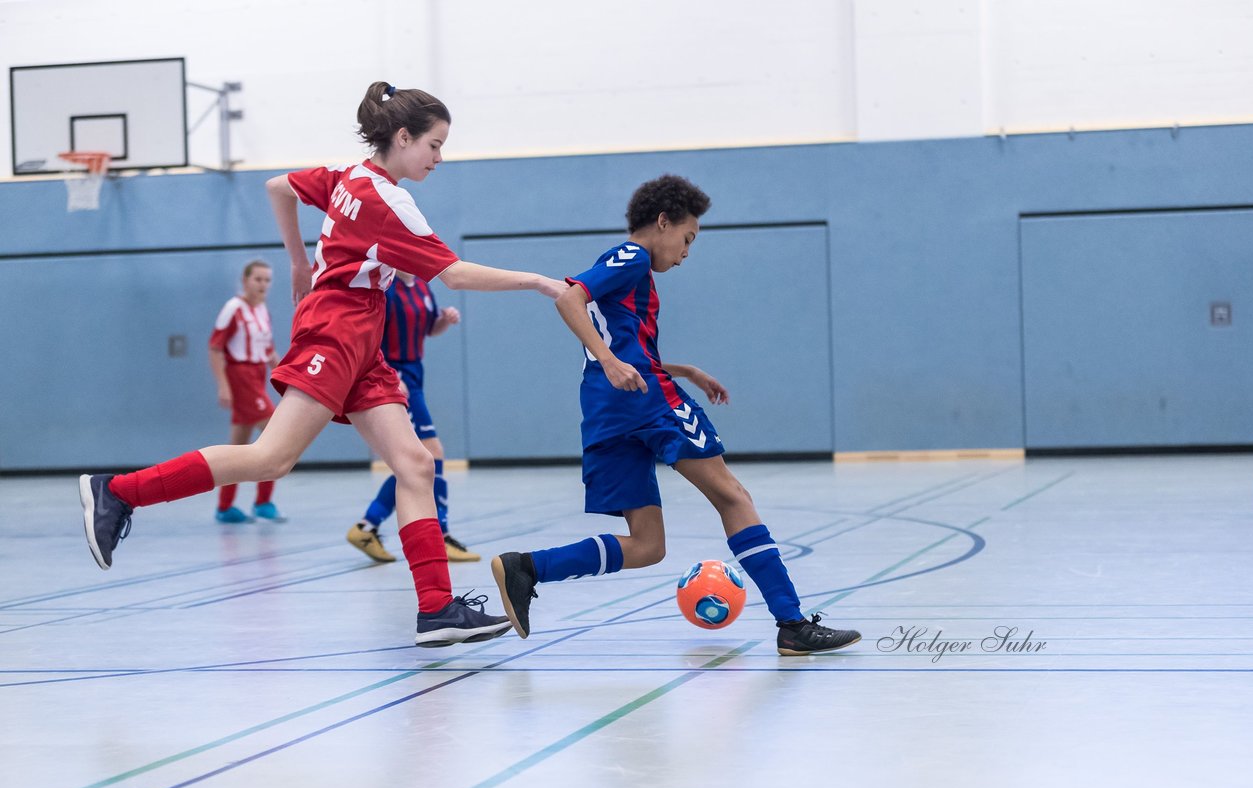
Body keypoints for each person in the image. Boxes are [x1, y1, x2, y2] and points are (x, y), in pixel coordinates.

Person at [80, 81, 567, 648]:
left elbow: (277, 187)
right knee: (270, 458)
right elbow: (454, 274)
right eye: (434, 145)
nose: (439, 158)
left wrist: (296, 263)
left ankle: (436, 608)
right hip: (336, 329)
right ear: (403, 137)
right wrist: (537, 280)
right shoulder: (391, 202)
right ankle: (120, 491)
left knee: (414, 465)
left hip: (363, 336)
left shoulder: (345, 174)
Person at [491, 175, 861, 656]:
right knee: (733, 497)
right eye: (687, 238)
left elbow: (623, 344)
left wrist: (682, 369)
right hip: (646, 402)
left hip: (606, 410)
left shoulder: (629, 273)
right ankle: (791, 623)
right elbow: (569, 298)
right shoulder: (633, 257)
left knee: (647, 546)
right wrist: (608, 358)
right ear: (662, 222)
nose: (687, 252)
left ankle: (528, 567)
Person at [346, 269, 479, 563]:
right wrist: (391, 375)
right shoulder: (387, 289)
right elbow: (370, 335)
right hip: (396, 373)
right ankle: (440, 535)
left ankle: (367, 526)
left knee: (414, 462)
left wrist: (444, 320)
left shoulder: (421, 286)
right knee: (432, 453)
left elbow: (430, 328)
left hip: (415, 374)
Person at [208, 259, 285, 523]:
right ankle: (263, 502)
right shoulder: (233, 308)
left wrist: (287, 372)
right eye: (258, 279)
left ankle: (224, 506)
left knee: (237, 447)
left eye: (267, 280)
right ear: (245, 281)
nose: (263, 285)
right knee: (277, 433)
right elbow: (215, 348)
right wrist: (223, 385)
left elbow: (268, 350)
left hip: (257, 376)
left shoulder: (263, 310)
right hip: (241, 377)